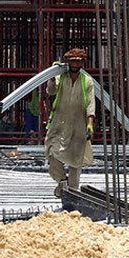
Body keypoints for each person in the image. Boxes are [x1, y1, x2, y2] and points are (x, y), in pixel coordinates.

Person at [45, 48, 95, 198]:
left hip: (78, 127)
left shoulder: (87, 81)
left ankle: (72, 193)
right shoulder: (61, 78)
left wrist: (90, 124)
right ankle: (62, 182)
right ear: (68, 62)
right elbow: (51, 91)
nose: (75, 63)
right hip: (58, 124)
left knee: (75, 162)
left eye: (78, 61)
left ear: (83, 63)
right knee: (52, 154)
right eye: (73, 61)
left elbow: (91, 104)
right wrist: (52, 76)